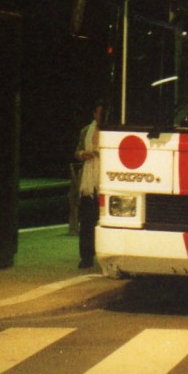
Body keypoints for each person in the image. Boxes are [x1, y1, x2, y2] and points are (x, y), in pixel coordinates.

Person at [74, 101, 102, 269]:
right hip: (88, 183)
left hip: (103, 181)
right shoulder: (86, 131)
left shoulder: (111, 131)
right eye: (98, 113)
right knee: (86, 222)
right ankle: (86, 257)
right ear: (94, 114)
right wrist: (82, 154)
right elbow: (76, 151)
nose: (100, 117)